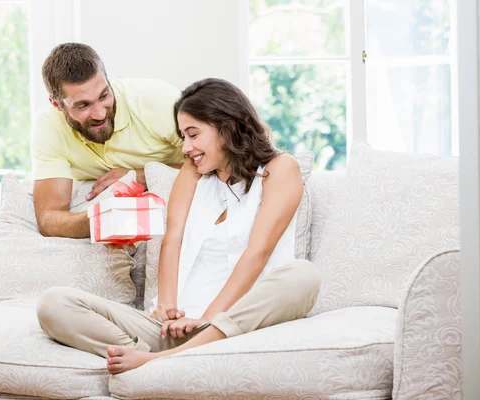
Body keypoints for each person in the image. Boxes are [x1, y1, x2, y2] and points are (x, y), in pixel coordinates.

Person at [36, 78, 322, 374]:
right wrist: (167, 307)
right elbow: (172, 240)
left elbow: (258, 252)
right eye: (183, 136)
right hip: (175, 329)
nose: (185, 148)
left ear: (227, 126)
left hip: (237, 323)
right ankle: (170, 357)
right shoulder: (193, 173)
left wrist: (208, 319)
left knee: (304, 276)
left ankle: (165, 362)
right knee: (54, 304)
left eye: (193, 135)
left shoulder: (280, 169)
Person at [32, 43, 184, 238]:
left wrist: (141, 176)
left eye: (104, 95)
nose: (100, 113)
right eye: (83, 105)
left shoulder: (158, 100)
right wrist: (104, 218)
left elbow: (220, 161)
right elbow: (49, 219)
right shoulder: (49, 127)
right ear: (57, 105)